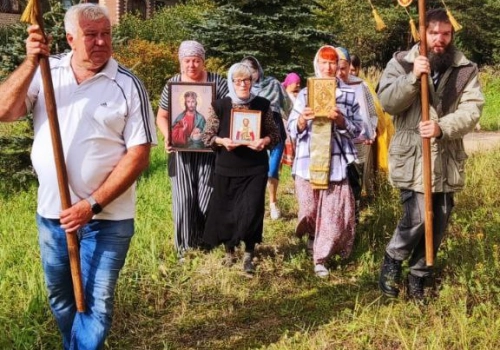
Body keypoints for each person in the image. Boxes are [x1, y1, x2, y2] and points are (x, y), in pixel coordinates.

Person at [0, 4, 156, 349]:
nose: (101, 42)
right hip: (53, 217)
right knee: (61, 298)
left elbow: (139, 154)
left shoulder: (128, 85)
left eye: (106, 34)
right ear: (70, 38)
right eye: (91, 35)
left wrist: (92, 204)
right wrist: (30, 62)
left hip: (107, 219)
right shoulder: (46, 72)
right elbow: (3, 110)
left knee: (96, 303)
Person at [377, 8, 484, 300]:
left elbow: (472, 109)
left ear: (452, 35)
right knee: (416, 218)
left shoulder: (465, 69)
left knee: (439, 219)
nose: (440, 39)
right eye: (434, 32)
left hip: (446, 156)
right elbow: (388, 102)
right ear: (421, 33)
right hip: (413, 156)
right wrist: (414, 77)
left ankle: (419, 277)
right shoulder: (400, 62)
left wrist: (441, 127)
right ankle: (392, 260)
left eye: (446, 33)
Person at [287, 45, 363, 278]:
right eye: (324, 62)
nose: (329, 67)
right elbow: (291, 127)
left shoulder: (348, 94)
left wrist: (341, 120)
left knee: (330, 212)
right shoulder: (304, 94)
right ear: (317, 65)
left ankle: (321, 258)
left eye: (333, 63)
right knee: (309, 208)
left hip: (336, 162)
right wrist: (301, 121)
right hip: (307, 162)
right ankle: (312, 235)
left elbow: (358, 129)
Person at [202, 63, 280, 273]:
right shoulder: (219, 105)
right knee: (227, 210)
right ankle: (229, 251)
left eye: (247, 80)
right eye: (238, 80)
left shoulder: (262, 104)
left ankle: (249, 253)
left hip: (254, 168)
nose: (243, 84)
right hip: (227, 167)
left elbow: (275, 134)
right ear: (232, 82)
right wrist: (222, 141)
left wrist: (263, 141)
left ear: (252, 81)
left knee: (251, 209)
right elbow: (207, 136)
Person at [156, 40, 229, 259]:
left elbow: (228, 112)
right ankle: (184, 249)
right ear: (180, 62)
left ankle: (208, 240)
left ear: (203, 61)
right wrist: (168, 135)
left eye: (196, 60)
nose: (192, 65)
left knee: (207, 196)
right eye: (187, 61)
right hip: (181, 154)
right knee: (184, 199)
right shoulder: (173, 84)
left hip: (209, 151)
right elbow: (162, 116)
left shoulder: (218, 82)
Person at [241, 56, 288, 220]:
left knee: (272, 169)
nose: (250, 76)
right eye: (246, 72)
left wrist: (297, 126)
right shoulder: (243, 87)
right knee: (256, 170)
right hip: (254, 132)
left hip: (275, 132)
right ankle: (254, 204)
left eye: (252, 72)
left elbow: (287, 106)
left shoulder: (274, 84)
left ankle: (273, 202)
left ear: (258, 70)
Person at [336, 47, 378, 220]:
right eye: (337, 67)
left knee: (355, 176)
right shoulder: (325, 85)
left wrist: (370, 131)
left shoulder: (361, 85)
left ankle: (353, 218)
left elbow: (371, 111)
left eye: (344, 68)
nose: (340, 72)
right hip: (336, 143)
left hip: (358, 140)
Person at [281, 72, 302, 167]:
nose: (298, 85)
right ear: (289, 84)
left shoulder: (300, 95)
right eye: (296, 82)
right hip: (285, 125)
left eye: (299, 83)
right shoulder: (283, 95)